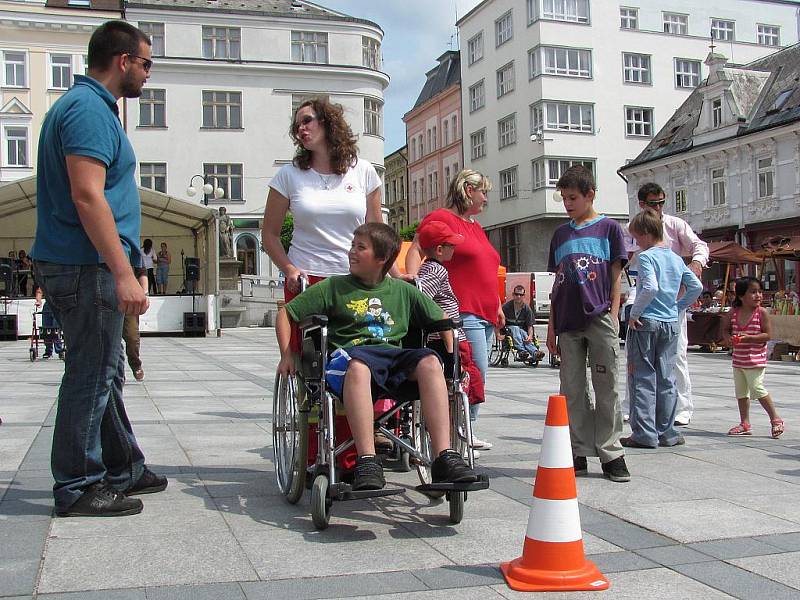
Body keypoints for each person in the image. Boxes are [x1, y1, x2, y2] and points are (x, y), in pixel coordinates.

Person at [30, 21, 166, 518]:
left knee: (104, 372)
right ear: (123, 60)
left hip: (83, 262)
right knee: (91, 374)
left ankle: (122, 465)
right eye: (147, 63)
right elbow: (88, 195)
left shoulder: (87, 107)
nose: (148, 74)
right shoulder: (88, 110)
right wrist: (123, 270)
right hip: (86, 264)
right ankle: (78, 484)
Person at [276, 223, 479, 491]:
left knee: (430, 362)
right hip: (348, 358)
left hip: (390, 360)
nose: (351, 252)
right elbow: (286, 314)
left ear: (382, 259)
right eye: (352, 246)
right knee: (359, 366)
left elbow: (443, 320)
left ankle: (444, 457)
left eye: (360, 248)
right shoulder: (333, 287)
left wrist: (452, 357)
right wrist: (287, 355)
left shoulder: (403, 290)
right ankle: (367, 461)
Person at [405, 169, 502, 451]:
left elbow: (485, 267)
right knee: (471, 370)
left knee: (474, 373)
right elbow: (416, 249)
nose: (486, 198)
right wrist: (417, 291)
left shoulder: (474, 226)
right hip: (461, 312)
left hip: (484, 310)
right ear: (468, 190)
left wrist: (497, 304)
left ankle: (464, 428)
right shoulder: (442, 219)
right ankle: (460, 430)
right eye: (483, 192)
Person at [546, 165, 630, 483]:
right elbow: (557, 283)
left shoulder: (609, 229)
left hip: (599, 317)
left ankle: (611, 452)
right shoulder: (560, 234)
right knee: (572, 389)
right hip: (567, 320)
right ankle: (577, 449)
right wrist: (552, 326)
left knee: (606, 386)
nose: (568, 204)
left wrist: (613, 314)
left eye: (573, 198)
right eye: (564, 198)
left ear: (589, 195)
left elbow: (616, 276)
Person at [261, 97, 385, 308]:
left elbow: (379, 233)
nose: (301, 128)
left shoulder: (363, 171)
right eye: (297, 125)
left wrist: (395, 274)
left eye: (307, 121)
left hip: (355, 276)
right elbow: (269, 234)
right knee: (308, 341)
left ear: (327, 122)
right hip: (305, 280)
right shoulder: (288, 175)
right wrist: (289, 269)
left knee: (356, 341)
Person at [624, 182, 708, 426]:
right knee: (635, 355)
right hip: (640, 293)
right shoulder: (633, 227)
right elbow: (626, 262)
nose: (659, 207)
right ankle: (634, 405)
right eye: (653, 203)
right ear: (642, 204)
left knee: (677, 354)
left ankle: (682, 408)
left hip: (669, 297)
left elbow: (699, 245)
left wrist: (697, 264)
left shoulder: (675, 224)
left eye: (661, 202)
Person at [414, 219, 485, 453]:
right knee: (458, 383)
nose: (455, 249)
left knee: (456, 384)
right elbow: (422, 296)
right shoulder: (435, 269)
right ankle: (453, 435)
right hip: (448, 338)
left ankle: (453, 432)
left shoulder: (428, 267)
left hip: (444, 337)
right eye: (451, 245)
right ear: (439, 249)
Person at [722, 277, 784, 438]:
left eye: (760, 292)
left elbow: (767, 335)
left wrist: (748, 337)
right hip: (738, 360)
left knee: (757, 388)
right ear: (741, 296)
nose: (758, 295)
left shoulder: (761, 312)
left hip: (755, 360)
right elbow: (724, 329)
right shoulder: (733, 312)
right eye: (753, 292)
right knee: (741, 392)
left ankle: (775, 419)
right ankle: (745, 423)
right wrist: (728, 338)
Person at [501, 284, 546, 363]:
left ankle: (535, 352)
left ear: (524, 296)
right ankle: (521, 350)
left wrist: (530, 336)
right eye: (516, 294)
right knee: (515, 328)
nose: (518, 296)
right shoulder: (506, 307)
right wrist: (498, 334)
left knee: (523, 333)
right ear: (513, 295)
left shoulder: (527, 309)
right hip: (509, 330)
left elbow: (530, 326)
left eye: (521, 295)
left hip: (522, 332)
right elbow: (499, 321)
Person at [122, 266, 148, 381]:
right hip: (107, 298)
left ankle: (136, 364)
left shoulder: (130, 249)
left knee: (132, 337)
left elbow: (142, 272)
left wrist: (144, 293)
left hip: (129, 300)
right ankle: (116, 373)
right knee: (111, 341)